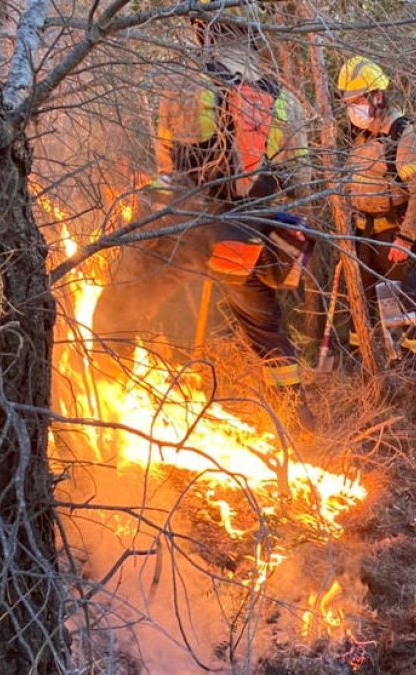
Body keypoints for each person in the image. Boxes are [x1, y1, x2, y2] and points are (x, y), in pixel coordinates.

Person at [94, 12, 314, 412]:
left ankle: (109, 408)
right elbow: (301, 186)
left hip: (185, 229)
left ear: (205, 31)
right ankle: (297, 417)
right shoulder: (288, 103)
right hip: (242, 241)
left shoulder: (183, 85)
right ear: (254, 36)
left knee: (117, 307)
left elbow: (166, 167)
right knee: (266, 331)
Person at [335, 56, 416, 364]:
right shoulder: (358, 134)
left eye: (357, 101)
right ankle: (362, 363)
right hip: (362, 232)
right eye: (348, 102)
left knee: (403, 302)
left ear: (377, 96)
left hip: (394, 233)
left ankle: (412, 367)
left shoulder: (404, 134)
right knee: (360, 302)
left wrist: (405, 238)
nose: (352, 108)